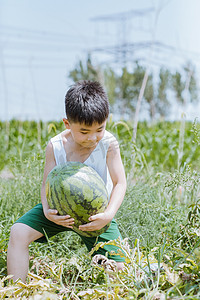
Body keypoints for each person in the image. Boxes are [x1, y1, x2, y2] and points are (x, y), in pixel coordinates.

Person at [7, 80, 127, 282]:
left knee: (120, 272)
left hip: (96, 216)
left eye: (100, 128)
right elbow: (46, 184)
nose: (93, 138)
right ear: (67, 124)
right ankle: (16, 289)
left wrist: (108, 215)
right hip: (60, 211)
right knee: (18, 232)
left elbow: (120, 183)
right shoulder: (55, 146)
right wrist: (47, 211)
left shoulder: (108, 143)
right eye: (84, 132)